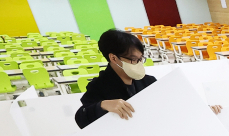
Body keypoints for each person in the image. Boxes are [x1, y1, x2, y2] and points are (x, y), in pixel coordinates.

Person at [74, 29, 221, 129]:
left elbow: (171, 104)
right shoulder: (98, 86)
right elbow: (81, 119)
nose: (138, 64)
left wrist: (201, 110)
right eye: (133, 60)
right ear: (113, 58)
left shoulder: (148, 81)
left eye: (140, 59)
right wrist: (102, 105)